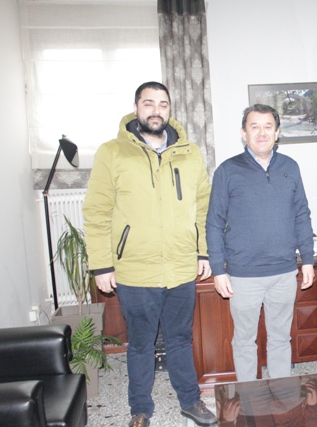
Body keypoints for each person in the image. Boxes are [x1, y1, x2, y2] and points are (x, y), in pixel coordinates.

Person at [83, 81, 217, 427]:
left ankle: (190, 401)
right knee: (141, 344)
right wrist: (101, 265)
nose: (156, 111)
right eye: (149, 103)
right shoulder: (112, 152)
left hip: (181, 266)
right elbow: (97, 211)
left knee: (180, 340)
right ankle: (140, 408)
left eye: (163, 104)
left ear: (170, 110)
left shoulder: (190, 153)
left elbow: (203, 207)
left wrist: (203, 253)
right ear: (136, 107)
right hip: (135, 269)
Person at [206, 103, 315, 381]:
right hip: (243, 276)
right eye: (254, 127)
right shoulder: (227, 171)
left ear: (277, 133)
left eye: (268, 127)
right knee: (244, 341)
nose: (261, 133)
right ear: (244, 133)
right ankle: (249, 400)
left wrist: (308, 260)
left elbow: (302, 214)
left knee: (280, 339)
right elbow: (214, 222)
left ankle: (282, 395)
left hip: (283, 273)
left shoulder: (290, 167)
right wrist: (218, 270)